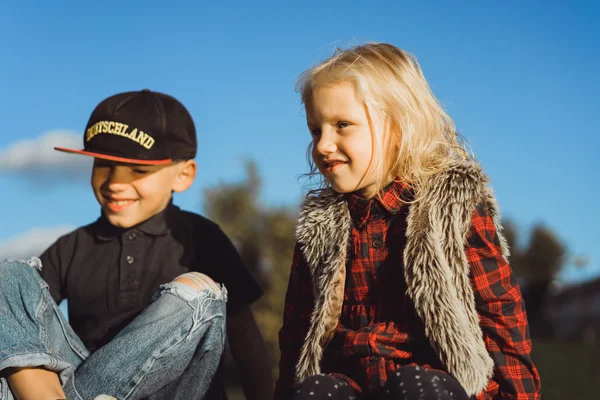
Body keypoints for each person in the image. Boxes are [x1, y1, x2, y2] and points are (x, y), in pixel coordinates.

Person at [275, 43, 541, 400]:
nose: (323, 145)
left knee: (415, 389)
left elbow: (499, 314)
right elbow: (296, 331)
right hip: (350, 384)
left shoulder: (450, 208)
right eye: (315, 130)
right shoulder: (320, 226)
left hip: (433, 382)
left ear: (398, 128)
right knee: (317, 391)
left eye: (342, 125)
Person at [0, 89, 273, 400]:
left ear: (183, 175)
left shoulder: (201, 237)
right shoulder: (71, 247)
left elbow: (244, 333)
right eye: (103, 164)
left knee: (197, 293)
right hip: (88, 388)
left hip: (176, 393)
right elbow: (21, 317)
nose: (115, 182)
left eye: (138, 170)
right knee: (8, 276)